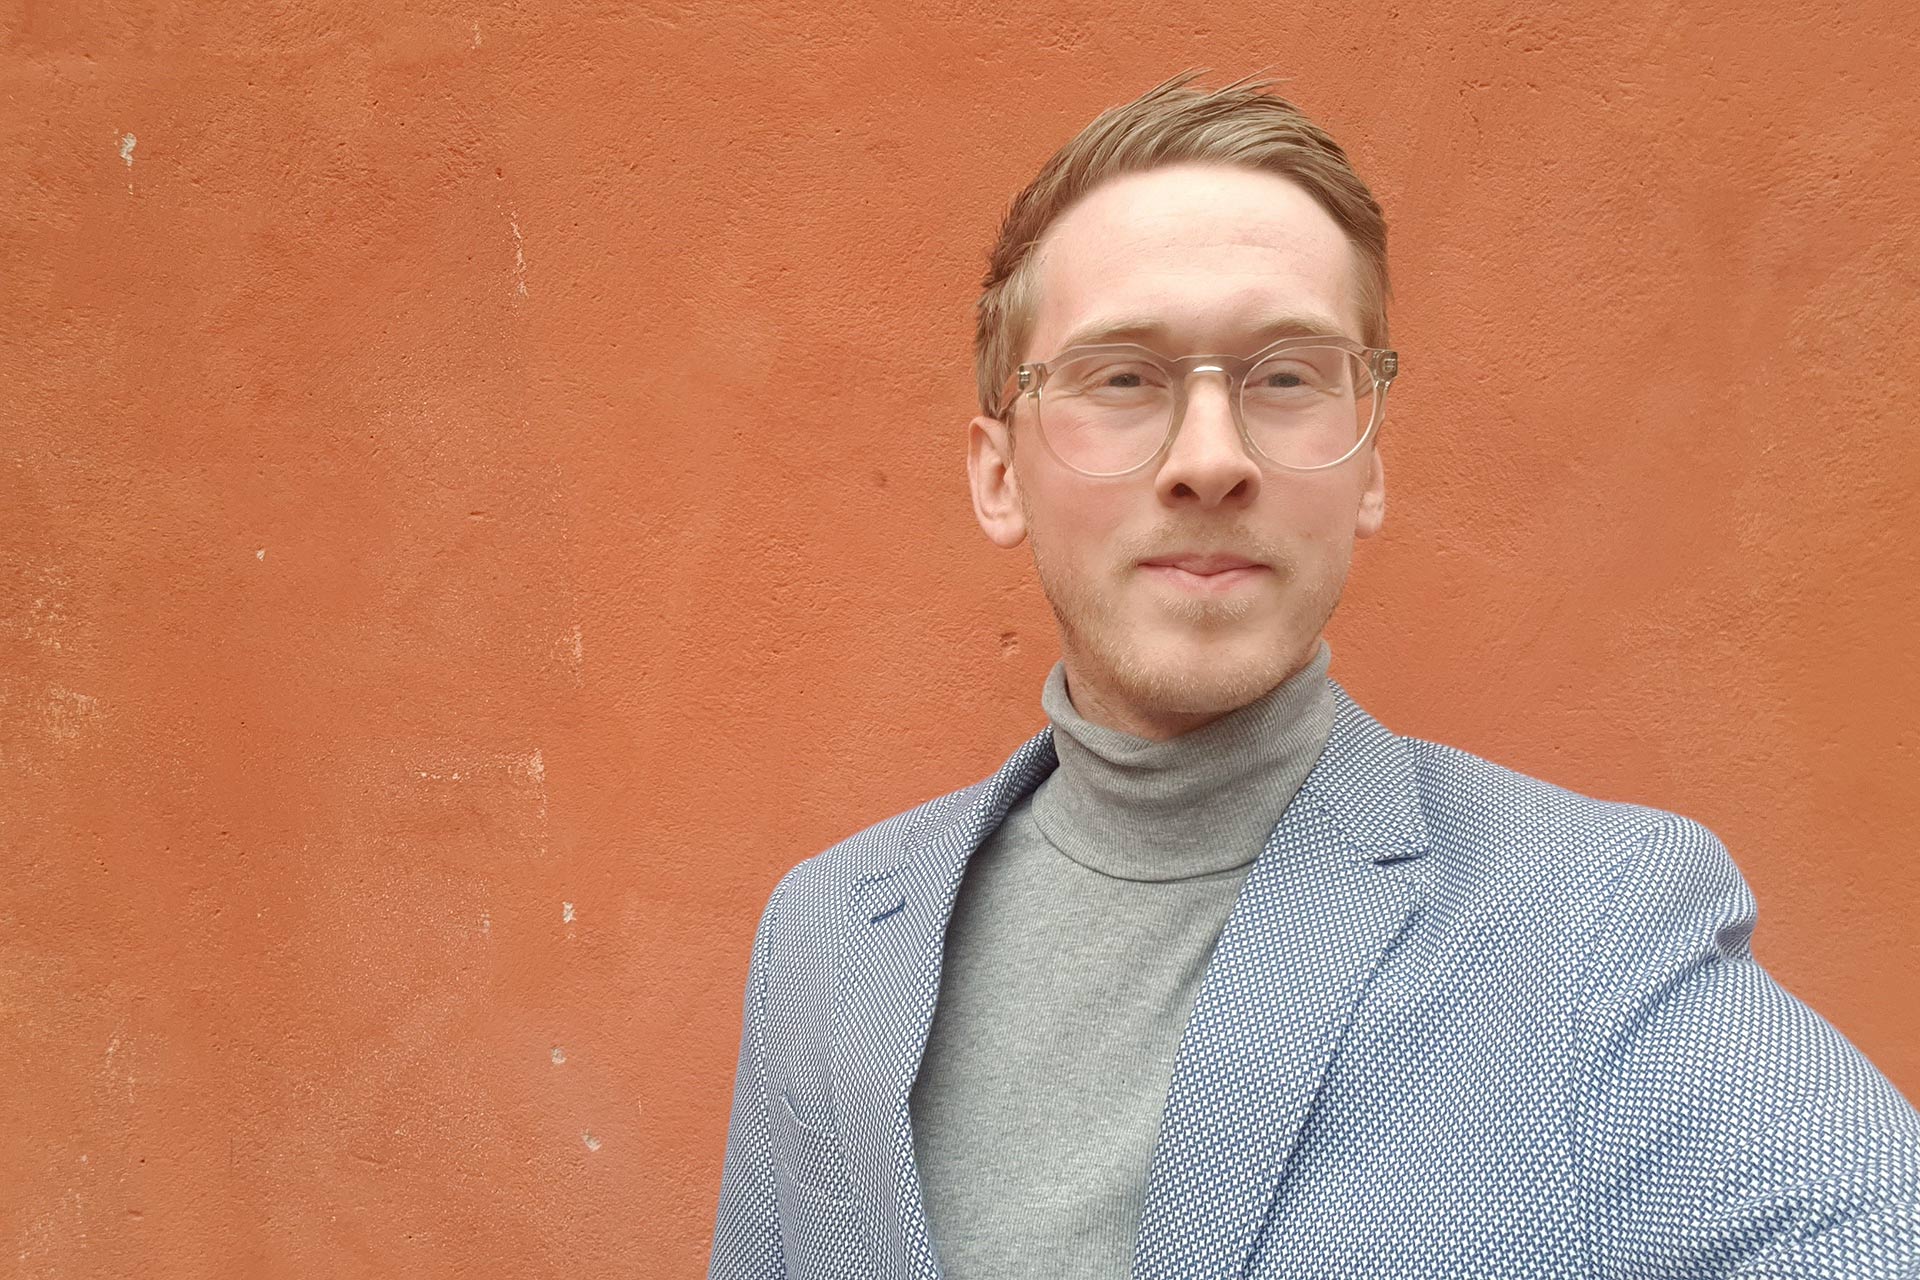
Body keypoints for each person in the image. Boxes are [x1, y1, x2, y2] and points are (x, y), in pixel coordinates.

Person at [707, 72, 1920, 1279]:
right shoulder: (827, 932)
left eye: (1286, 376)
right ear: (998, 475)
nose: (1210, 458)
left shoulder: (1595, 928)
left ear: (1368, 466)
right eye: (1121, 375)